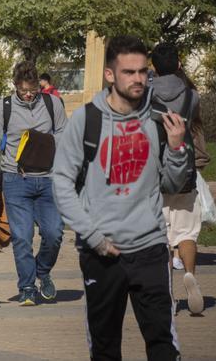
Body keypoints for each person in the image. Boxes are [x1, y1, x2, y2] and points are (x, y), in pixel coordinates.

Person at [52, 36, 190, 361]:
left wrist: (177, 147)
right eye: (129, 72)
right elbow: (61, 183)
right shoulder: (87, 120)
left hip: (150, 249)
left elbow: (173, 183)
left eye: (143, 71)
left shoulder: (159, 120)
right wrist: (94, 236)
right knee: (105, 348)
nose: (138, 79)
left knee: (163, 346)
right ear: (110, 75)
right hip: (102, 254)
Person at [0, 60, 68, 306]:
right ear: (15, 87)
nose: (29, 94)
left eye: (33, 89)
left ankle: (43, 271)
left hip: (49, 179)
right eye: (23, 91)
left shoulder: (53, 103)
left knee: (54, 233)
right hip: (15, 180)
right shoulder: (3, 108)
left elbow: (64, 132)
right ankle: (28, 287)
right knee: (21, 236)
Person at [149, 42, 211, 316]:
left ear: (153, 67)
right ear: (178, 65)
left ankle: (168, 294)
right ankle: (190, 274)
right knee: (186, 232)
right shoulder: (192, 96)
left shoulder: (144, 96)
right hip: (184, 169)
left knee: (160, 236)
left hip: (154, 174)